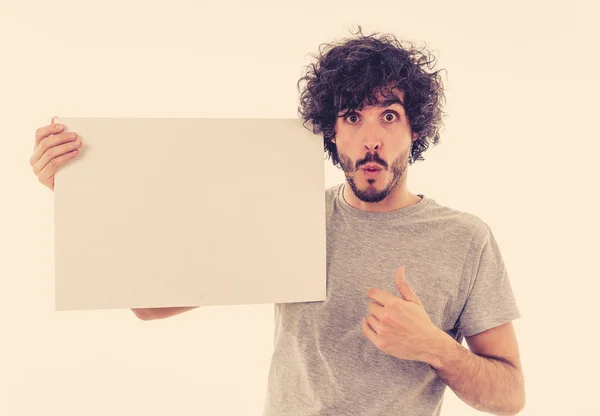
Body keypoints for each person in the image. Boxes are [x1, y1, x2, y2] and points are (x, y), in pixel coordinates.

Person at [30, 26, 525, 416]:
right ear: (332, 132)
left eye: (389, 116)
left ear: (414, 127)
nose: (370, 138)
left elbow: (510, 395)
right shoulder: (290, 212)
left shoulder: (466, 239)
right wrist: (80, 196)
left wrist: (435, 347)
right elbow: (150, 307)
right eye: (353, 116)